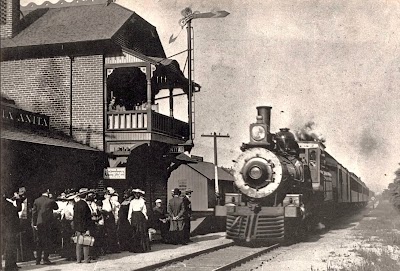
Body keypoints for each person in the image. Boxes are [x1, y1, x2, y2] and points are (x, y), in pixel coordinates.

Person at [32, 188, 58, 265]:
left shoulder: (36, 200)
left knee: (39, 241)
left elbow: (34, 213)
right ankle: (46, 258)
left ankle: (38, 259)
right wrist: (52, 198)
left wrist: (34, 223)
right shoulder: (50, 201)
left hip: (39, 223)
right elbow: (56, 207)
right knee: (47, 241)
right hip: (48, 223)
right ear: (48, 191)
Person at [2, 190, 22, 271]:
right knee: (11, 247)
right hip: (9, 229)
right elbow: (18, 209)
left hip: (5, 228)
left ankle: (12, 264)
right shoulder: (7, 204)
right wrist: (18, 200)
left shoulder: (6, 203)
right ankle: (10, 266)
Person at [73, 189, 93, 263]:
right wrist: (88, 228)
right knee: (86, 242)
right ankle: (86, 259)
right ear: (86, 195)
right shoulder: (85, 205)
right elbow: (87, 218)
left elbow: (75, 217)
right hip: (84, 226)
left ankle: (78, 259)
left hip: (78, 226)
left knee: (78, 243)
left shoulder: (76, 204)